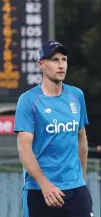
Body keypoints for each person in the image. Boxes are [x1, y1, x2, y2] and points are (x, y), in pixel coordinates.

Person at [14, 40, 93, 217]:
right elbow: (24, 149)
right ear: (41, 64)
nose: (61, 65)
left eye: (64, 60)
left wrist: (81, 178)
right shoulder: (28, 101)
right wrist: (45, 184)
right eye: (54, 60)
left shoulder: (76, 96)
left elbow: (81, 138)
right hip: (41, 192)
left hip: (76, 190)